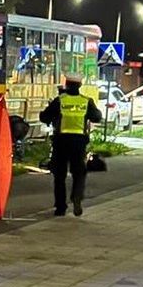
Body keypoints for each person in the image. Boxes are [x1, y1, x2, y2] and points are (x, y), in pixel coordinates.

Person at [40, 73, 102, 217]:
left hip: (61, 142)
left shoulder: (60, 100)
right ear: (80, 85)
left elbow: (44, 117)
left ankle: (60, 207)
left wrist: (51, 115)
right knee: (79, 173)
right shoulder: (86, 101)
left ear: (66, 84)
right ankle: (76, 197)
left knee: (59, 175)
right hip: (79, 143)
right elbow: (97, 117)